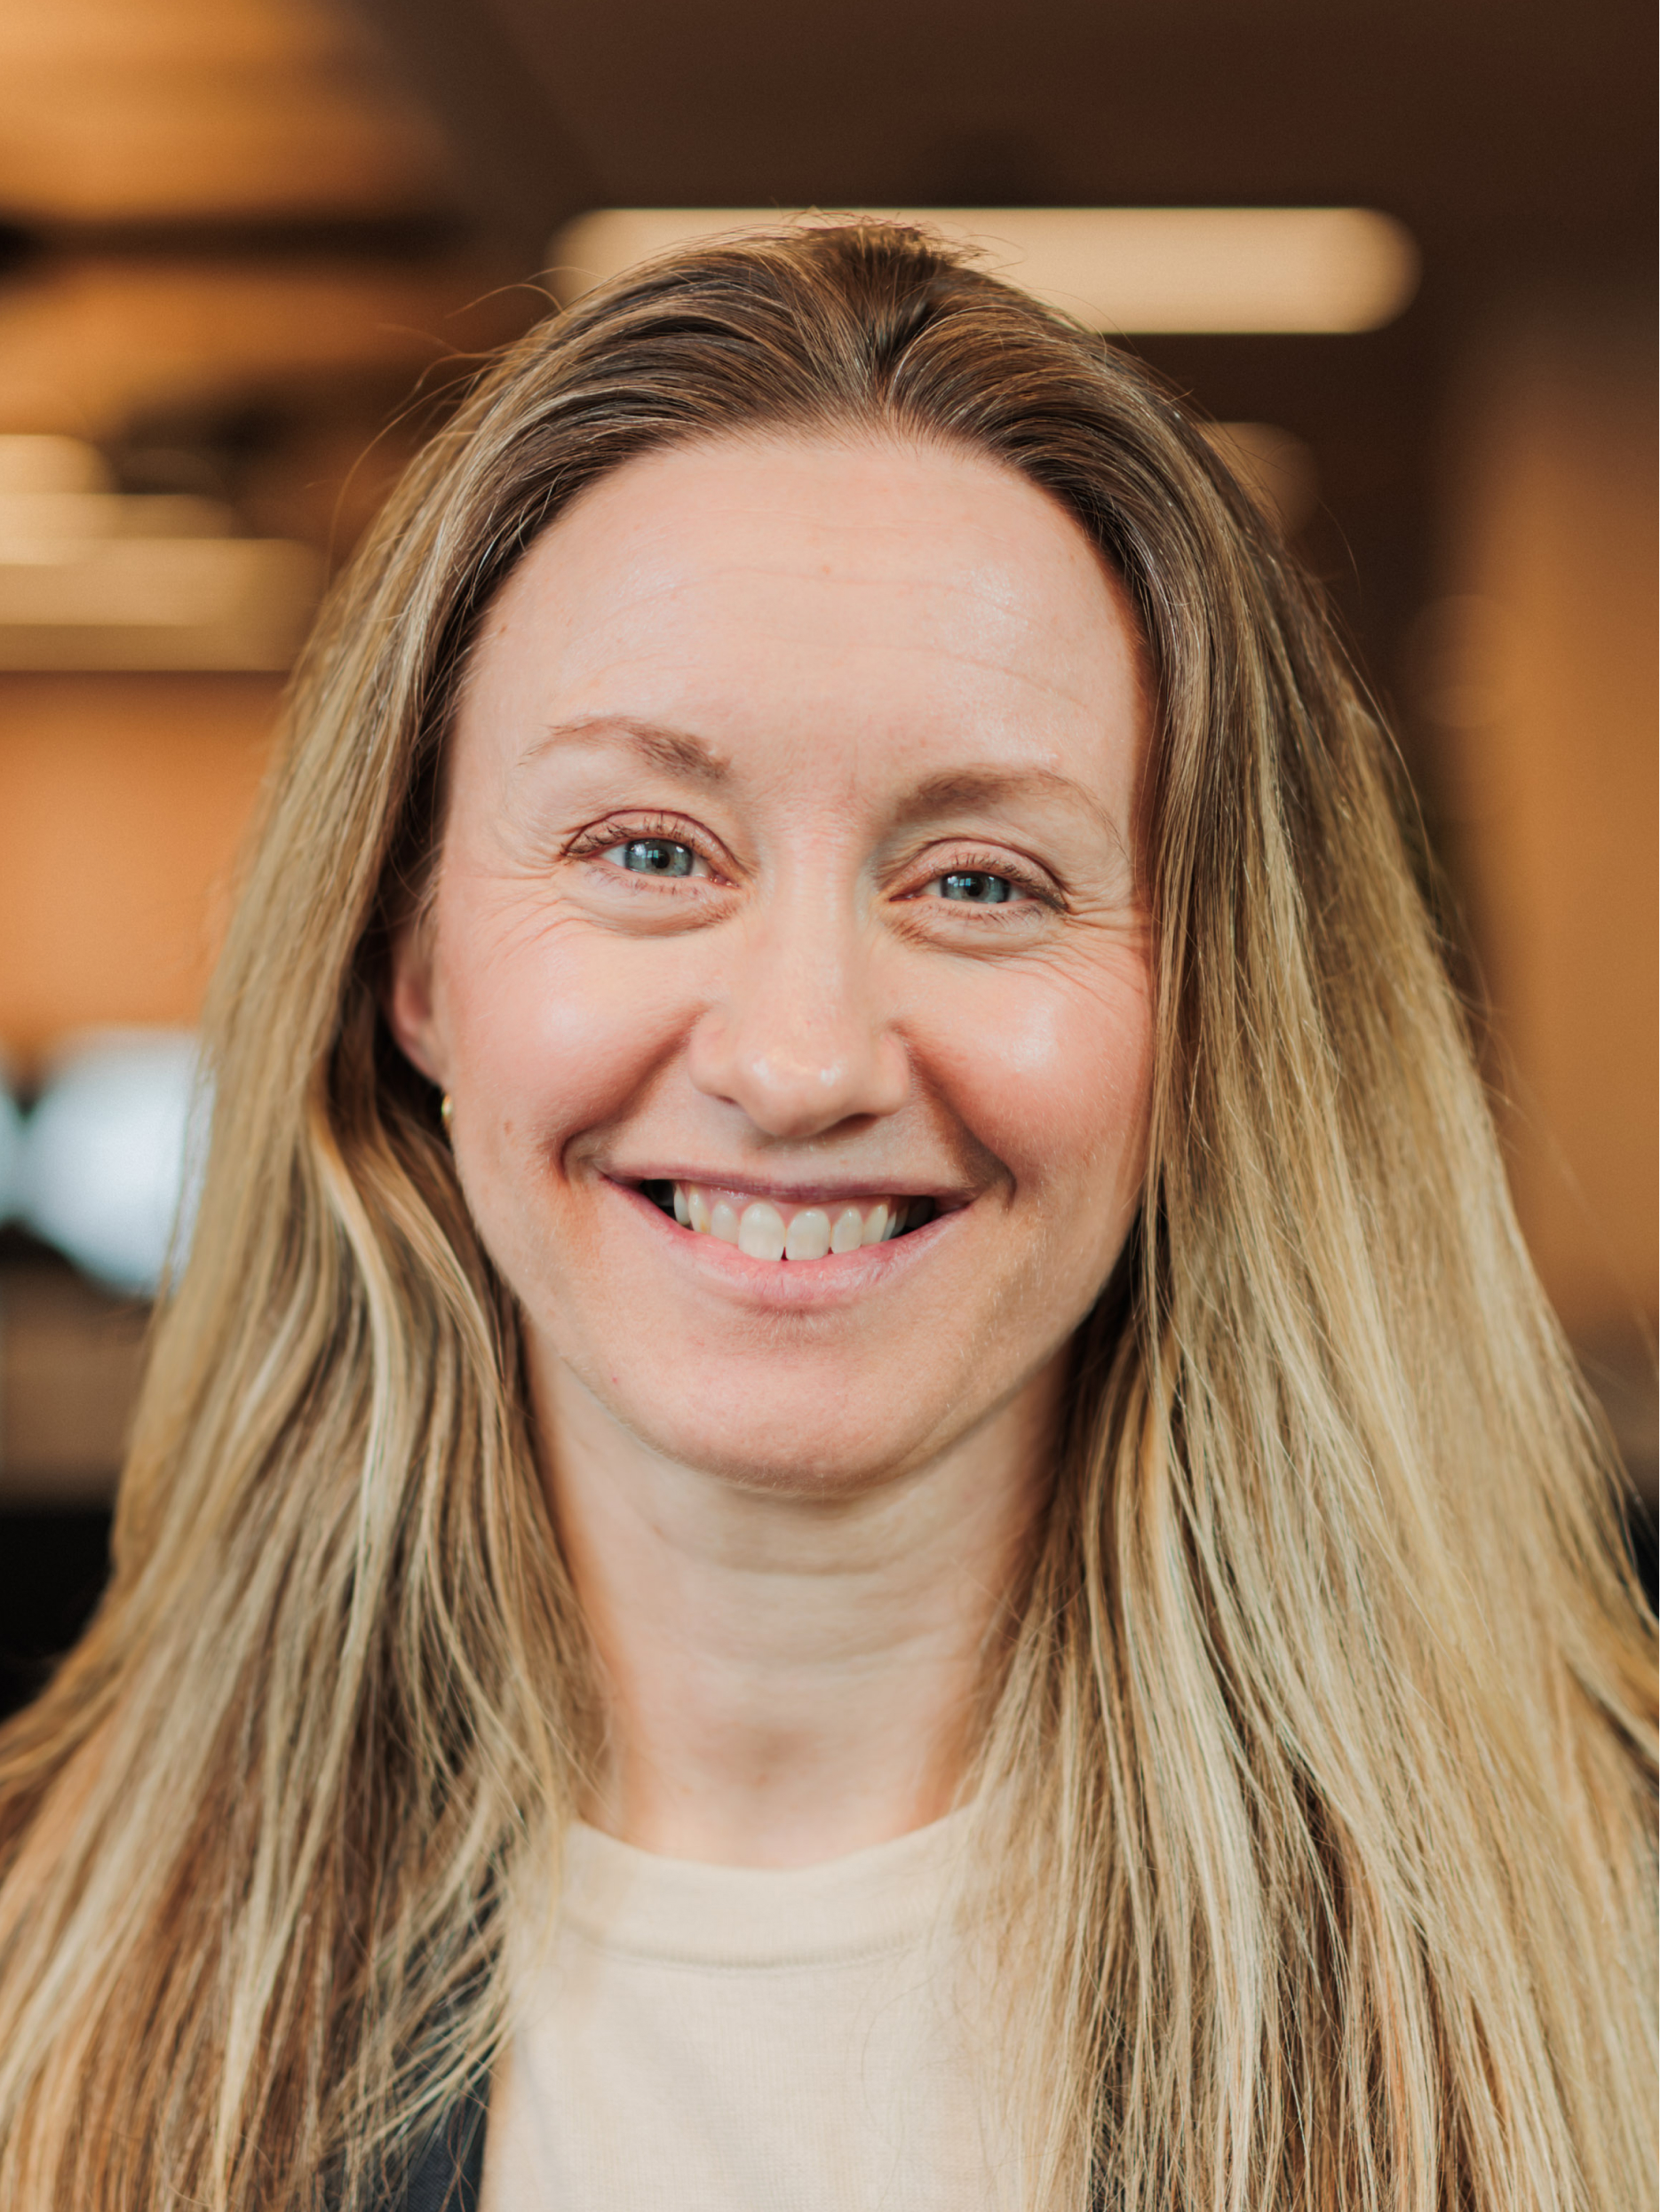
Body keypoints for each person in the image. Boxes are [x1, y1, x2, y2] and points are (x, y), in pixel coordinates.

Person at [0, 224, 1651, 2212]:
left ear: (1211, 1016)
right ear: (409, 959)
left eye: (981, 881)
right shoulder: (37, 1978)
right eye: (646, 849)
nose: (797, 1062)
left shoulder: (1607, 1982)